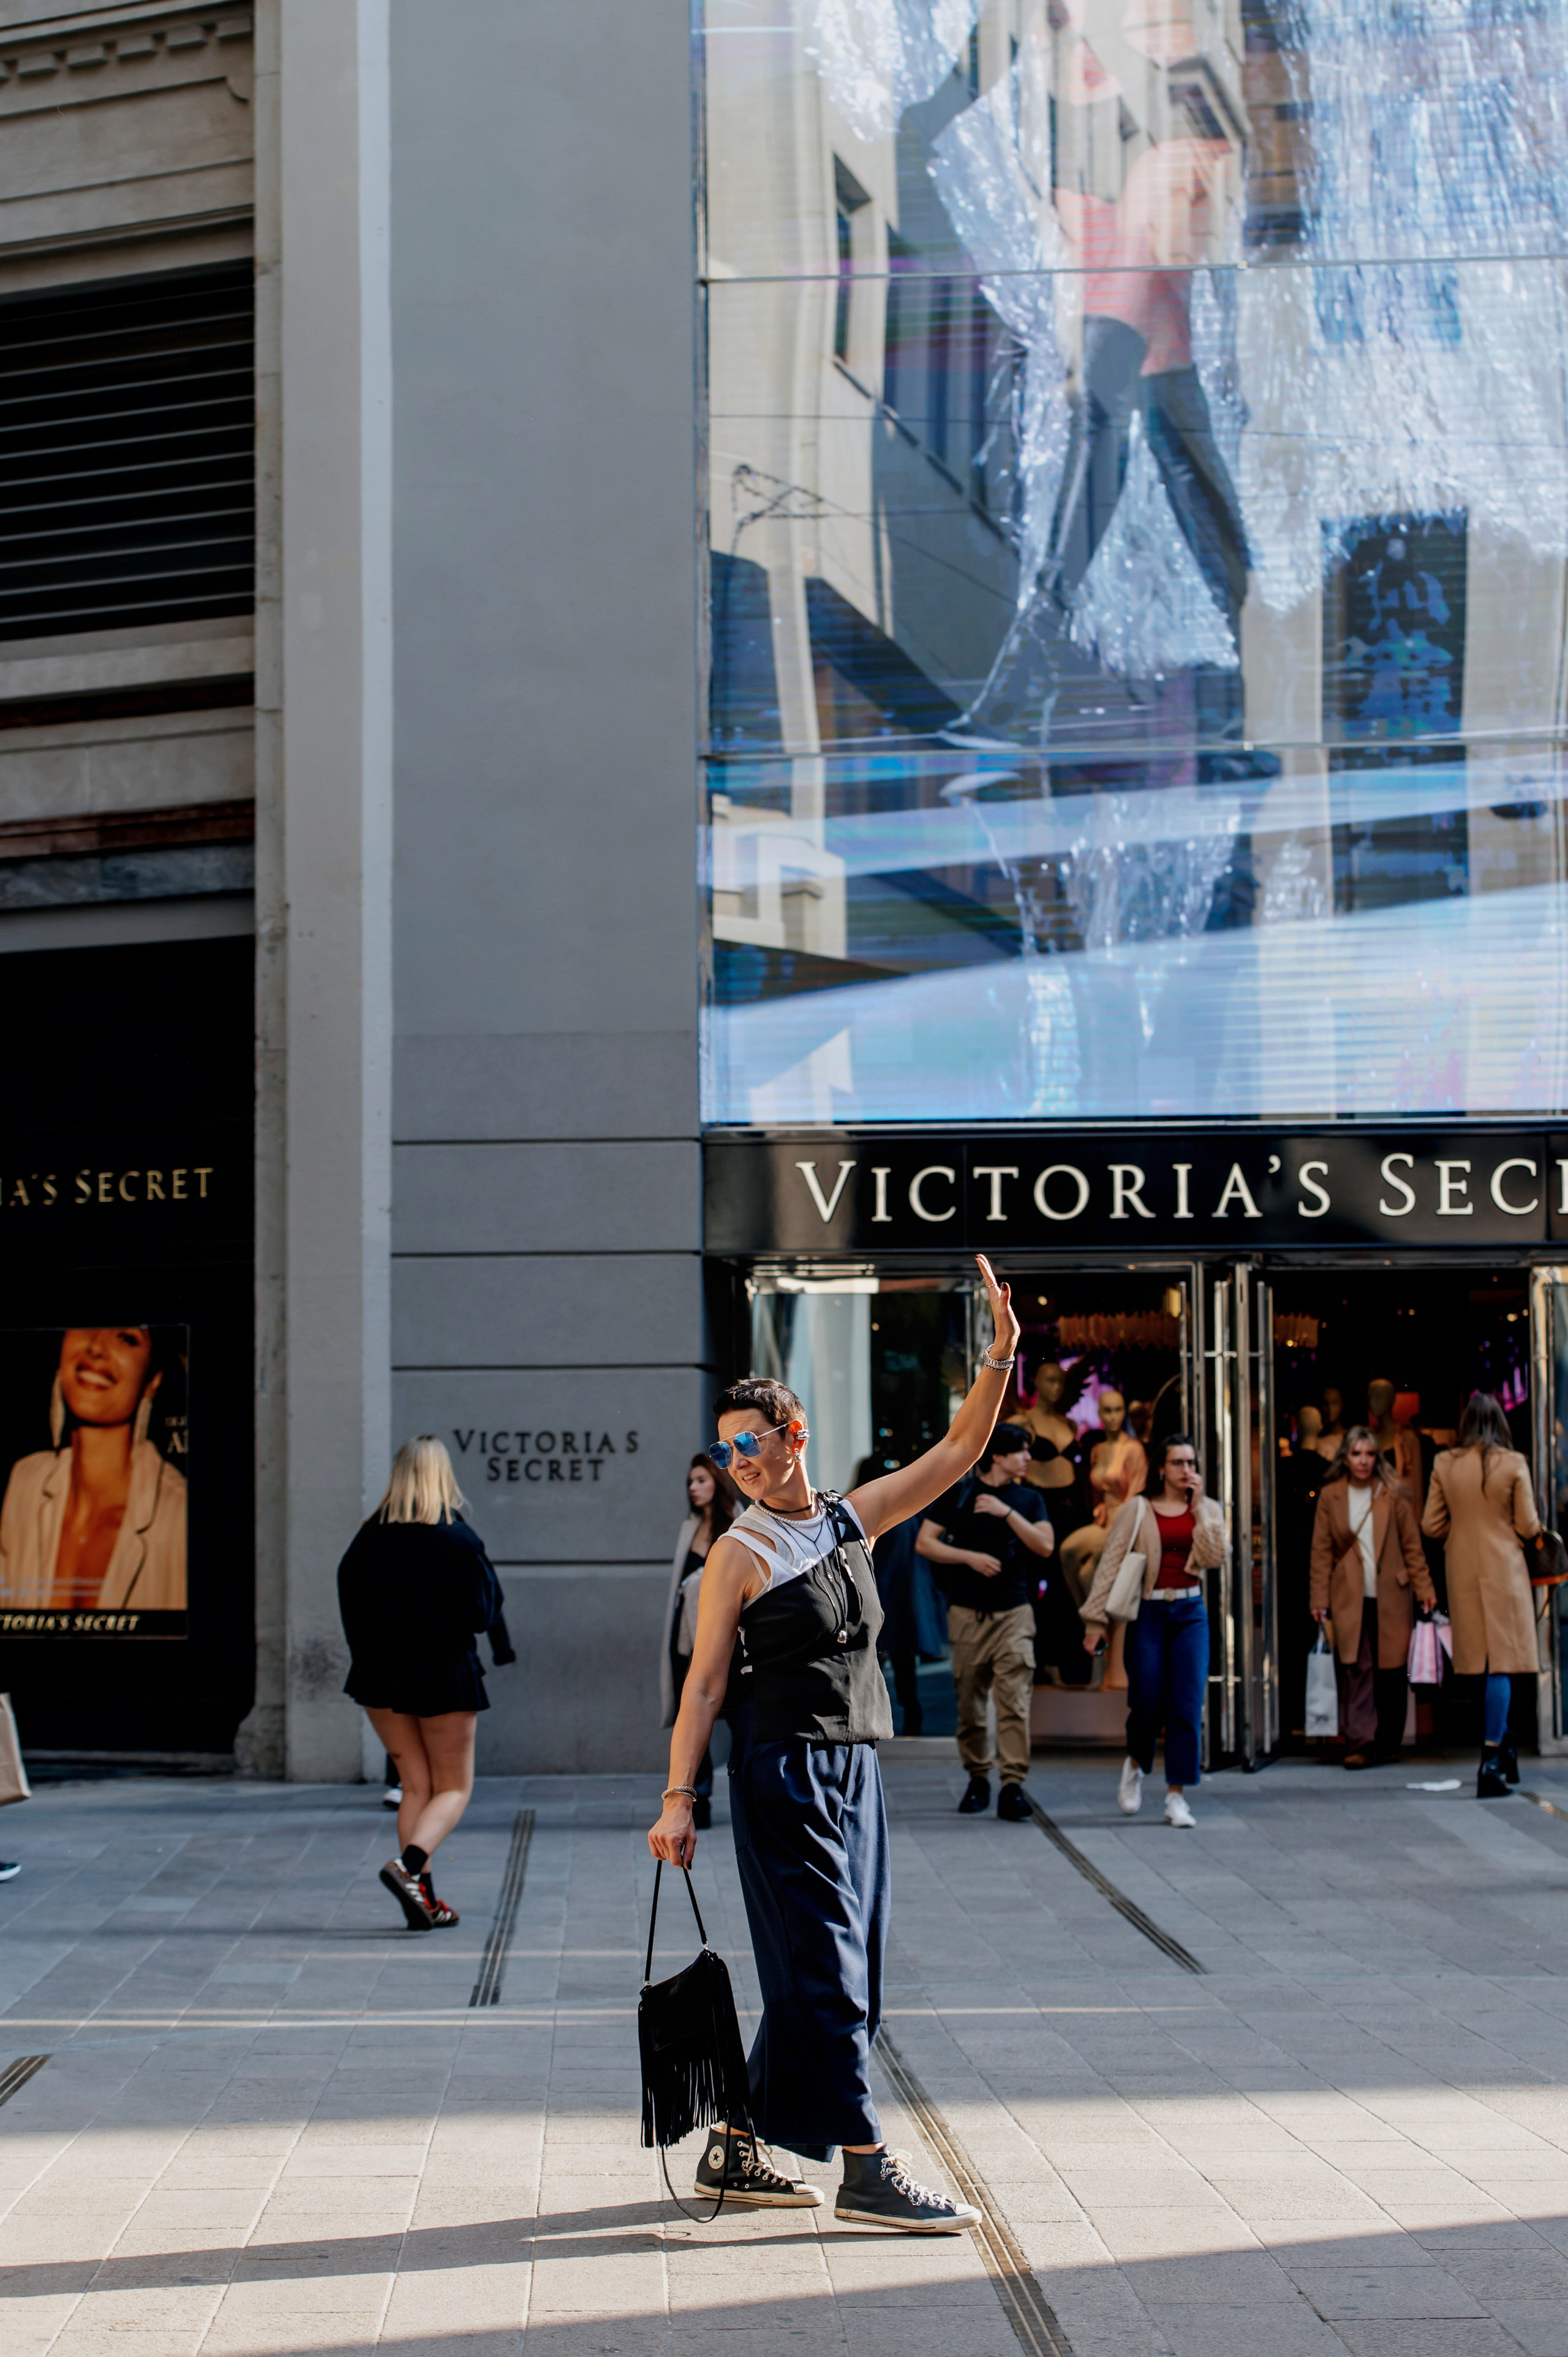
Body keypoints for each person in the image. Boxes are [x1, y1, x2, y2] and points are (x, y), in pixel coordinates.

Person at [647, 1252, 1021, 2232]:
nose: (738, 1462)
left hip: (855, 1767)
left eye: (751, 1443)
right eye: (726, 1451)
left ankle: (735, 2142)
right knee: (831, 1967)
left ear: (795, 1434)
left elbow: (954, 1455)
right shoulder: (739, 1552)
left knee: (844, 1965)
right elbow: (705, 1682)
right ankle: (866, 2165)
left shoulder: (852, 1519)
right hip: (782, 1773)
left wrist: (999, 1356)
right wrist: (678, 1796)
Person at [337, 1435, 514, 1929]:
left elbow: (348, 1602)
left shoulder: (367, 1538)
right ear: (442, 1476)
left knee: (415, 1784)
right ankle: (408, 1867)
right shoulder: (458, 1539)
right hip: (444, 1672)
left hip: (380, 1676)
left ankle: (425, 1902)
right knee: (453, 1788)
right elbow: (484, 1612)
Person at [1080, 1434, 1225, 1826]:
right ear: (1162, 1467)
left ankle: (1177, 1796)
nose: (1186, 1470)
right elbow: (1110, 1564)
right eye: (1178, 1463)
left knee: (1186, 1703)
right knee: (1146, 1699)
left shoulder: (1208, 1509)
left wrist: (1200, 1513)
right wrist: (1095, 1622)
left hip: (1191, 1612)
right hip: (1150, 1612)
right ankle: (1136, 1761)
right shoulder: (1139, 1509)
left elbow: (1215, 1558)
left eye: (1191, 1463)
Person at [916, 1423, 1054, 1818]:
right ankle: (978, 1778)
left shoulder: (1028, 1500)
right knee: (971, 1704)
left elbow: (1045, 1545)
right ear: (998, 1456)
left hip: (1015, 1614)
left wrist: (1006, 1512)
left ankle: (1012, 1785)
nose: (1027, 1458)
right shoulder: (960, 1493)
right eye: (1021, 1451)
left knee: (1014, 1704)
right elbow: (926, 1543)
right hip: (968, 1615)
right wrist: (969, 1558)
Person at [0, 1326, 186, 1611]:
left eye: (126, 1337)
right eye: (86, 1324)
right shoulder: (25, 1482)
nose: (97, 1348)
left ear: (153, 1380)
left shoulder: (179, 1519)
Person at [1422, 1393, 1544, 1798]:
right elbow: (1529, 1525)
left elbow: (1431, 1524)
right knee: (1501, 1664)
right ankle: (1491, 1758)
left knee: (1477, 1662)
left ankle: (1503, 1743)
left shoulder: (1445, 1463)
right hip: (1505, 1569)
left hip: (1463, 1569)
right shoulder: (1513, 1463)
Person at [1309, 1426, 1436, 1769]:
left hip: (1392, 1594)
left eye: (1369, 1454)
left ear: (1377, 1458)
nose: (1363, 1461)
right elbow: (1321, 1552)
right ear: (1346, 1458)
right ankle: (1360, 1743)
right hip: (1350, 1595)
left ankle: (1389, 1742)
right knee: (1357, 1668)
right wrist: (1319, 1598)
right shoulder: (1331, 1495)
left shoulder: (1392, 1494)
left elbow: (1412, 1547)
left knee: (1392, 1670)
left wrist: (1425, 1589)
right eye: (1356, 1454)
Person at [658, 1454, 739, 1825]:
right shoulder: (688, 1529)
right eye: (691, 1482)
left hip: (725, 1640)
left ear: (718, 1484)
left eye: (701, 1480)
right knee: (690, 1714)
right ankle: (698, 1798)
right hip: (685, 1639)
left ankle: (747, 1788)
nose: (693, 1488)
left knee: (738, 1714)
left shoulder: (739, 1524)